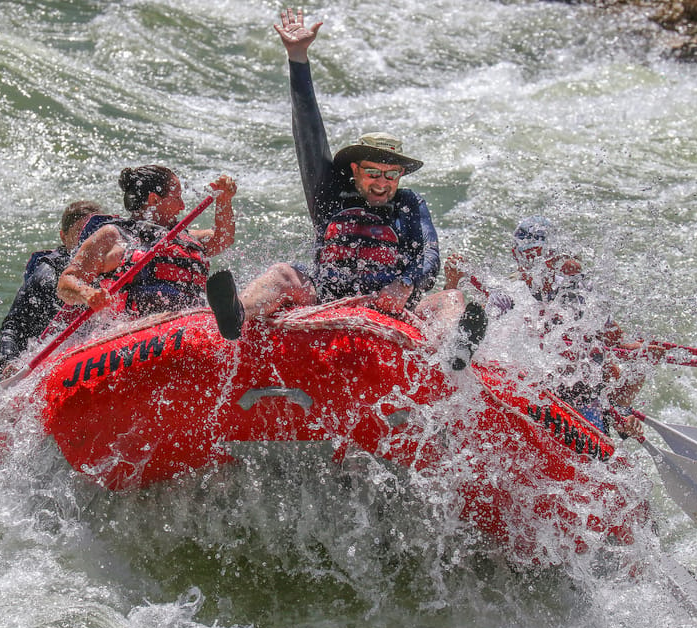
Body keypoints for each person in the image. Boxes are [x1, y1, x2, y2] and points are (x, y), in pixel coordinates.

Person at [208, 8, 484, 367]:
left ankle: (455, 352)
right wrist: (298, 57)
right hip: (327, 297)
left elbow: (430, 259)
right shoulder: (328, 192)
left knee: (449, 299)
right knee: (282, 273)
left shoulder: (410, 204)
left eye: (392, 175)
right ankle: (236, 314)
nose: (383, 183)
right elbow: (309, 131)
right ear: (355, 169)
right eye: (373, 172)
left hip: (392, 302)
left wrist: (404, 283)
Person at [445, 216, 645, 432]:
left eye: (541, 256)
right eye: (528, 256)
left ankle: (620, 417)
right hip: (532, 392)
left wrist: (643, 357)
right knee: (486, 335)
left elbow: (617, 347)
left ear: (554, 256)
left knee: (601, 357)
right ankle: (456, 352)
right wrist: (452, 283)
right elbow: (490, 334)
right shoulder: (510, 294)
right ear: (516, 255)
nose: (534, 264)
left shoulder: (580, 294)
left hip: (580, 402)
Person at [57, 165, 236, 316]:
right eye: (177, 198)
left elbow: (223, 239)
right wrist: (87, 293)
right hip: (132, 335)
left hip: (186, 324)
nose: (182, 206)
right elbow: (66, 282)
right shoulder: (112, 236)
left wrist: (224, 201)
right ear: (153, 199)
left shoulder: (187, 238)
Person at [0, 200, 102, 380]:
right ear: (64, 237)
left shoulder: (110, 265)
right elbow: (13, 324)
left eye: (94, 232)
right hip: (41, 357)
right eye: (80, 232)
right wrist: (9, 361)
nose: (87, 239)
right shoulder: (47, 273)